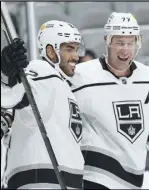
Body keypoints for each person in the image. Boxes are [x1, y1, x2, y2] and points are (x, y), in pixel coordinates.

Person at [70, 12, 149, 189]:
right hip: (91, 179)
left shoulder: (147, 78)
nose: (125, 49)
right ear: (107, 41)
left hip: (133, 182)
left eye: (130, 42)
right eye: (119, 42)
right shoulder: (79, 76)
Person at [1, 20, 84, 189]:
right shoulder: (41, 70)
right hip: (40, 179)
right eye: (69, 49)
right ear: (50, 51)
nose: (76, 56)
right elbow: (15, 96)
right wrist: (7, 74)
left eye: (76, 49)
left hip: (58, 181)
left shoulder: (63, 85)